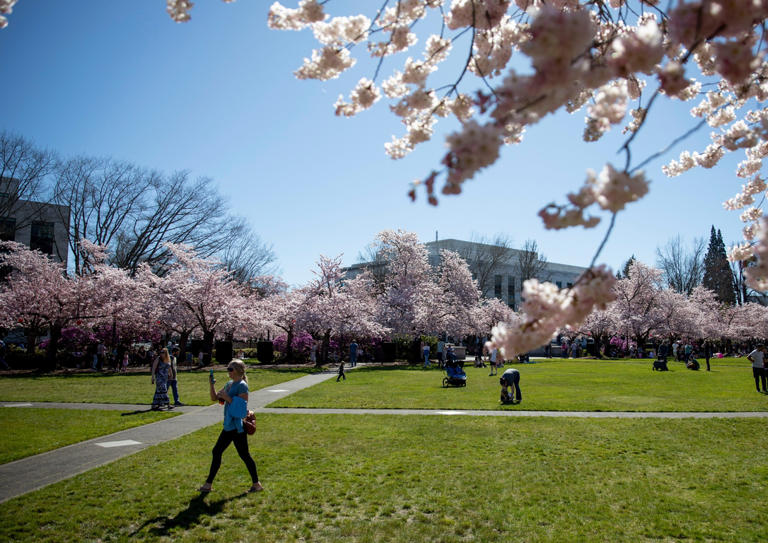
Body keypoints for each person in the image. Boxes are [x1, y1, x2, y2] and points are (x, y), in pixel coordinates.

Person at [199, 359, 262, 494]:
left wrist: (228, 398)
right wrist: (211, 385)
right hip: (229, 425)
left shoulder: (242, 385)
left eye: (230, 369)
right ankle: (208, 484)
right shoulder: (229, 384)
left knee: (243, 455)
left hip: (237, 427)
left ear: (238, 371)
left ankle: (256, 484)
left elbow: (241, 408)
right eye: (228, 368)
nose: (228, 371)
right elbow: (215, 398)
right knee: (218, 451)